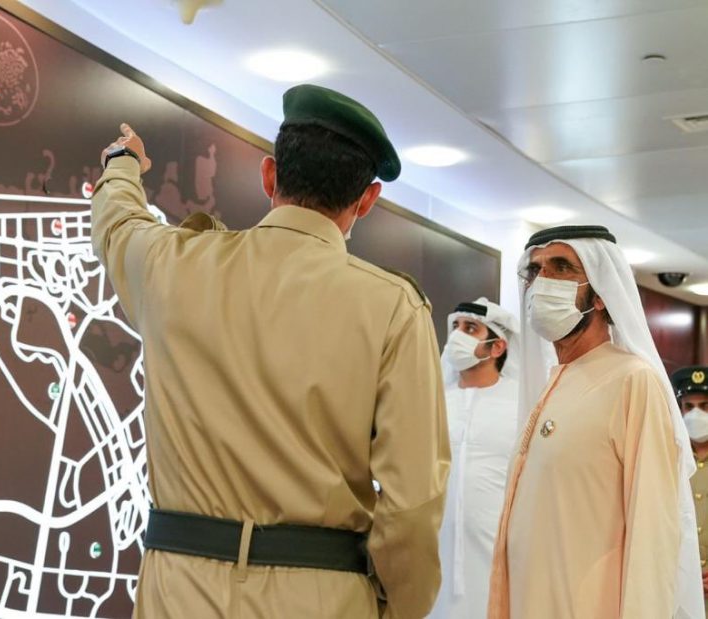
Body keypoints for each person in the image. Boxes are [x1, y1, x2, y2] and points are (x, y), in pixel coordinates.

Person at [90, 84, 449, 618]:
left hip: (179, 592)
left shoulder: (173, 266)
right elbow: (412, 506)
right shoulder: (393, 308)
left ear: (269, 175)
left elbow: (118, 224)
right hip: (321, 599)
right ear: (367, 200)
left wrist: (122, 165)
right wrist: (395, 608)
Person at [487, 225, 704, 619]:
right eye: (534, 270)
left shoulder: (632, 381)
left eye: (561, 267)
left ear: (601, 293)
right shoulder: (552, 384)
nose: (542, 281)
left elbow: (653, 537)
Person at [430, 298, 519, 619]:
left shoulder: (521, 403)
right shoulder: (436, 402)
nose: (458, 335)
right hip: (434, 550)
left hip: (498, 550)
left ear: (497, 346)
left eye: (471, 329)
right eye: (455, 327)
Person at [673, 365, 708, 616]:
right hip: (680, 591)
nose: (696, 414)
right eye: (689, 406)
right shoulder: (672, 459)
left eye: (705, 406)